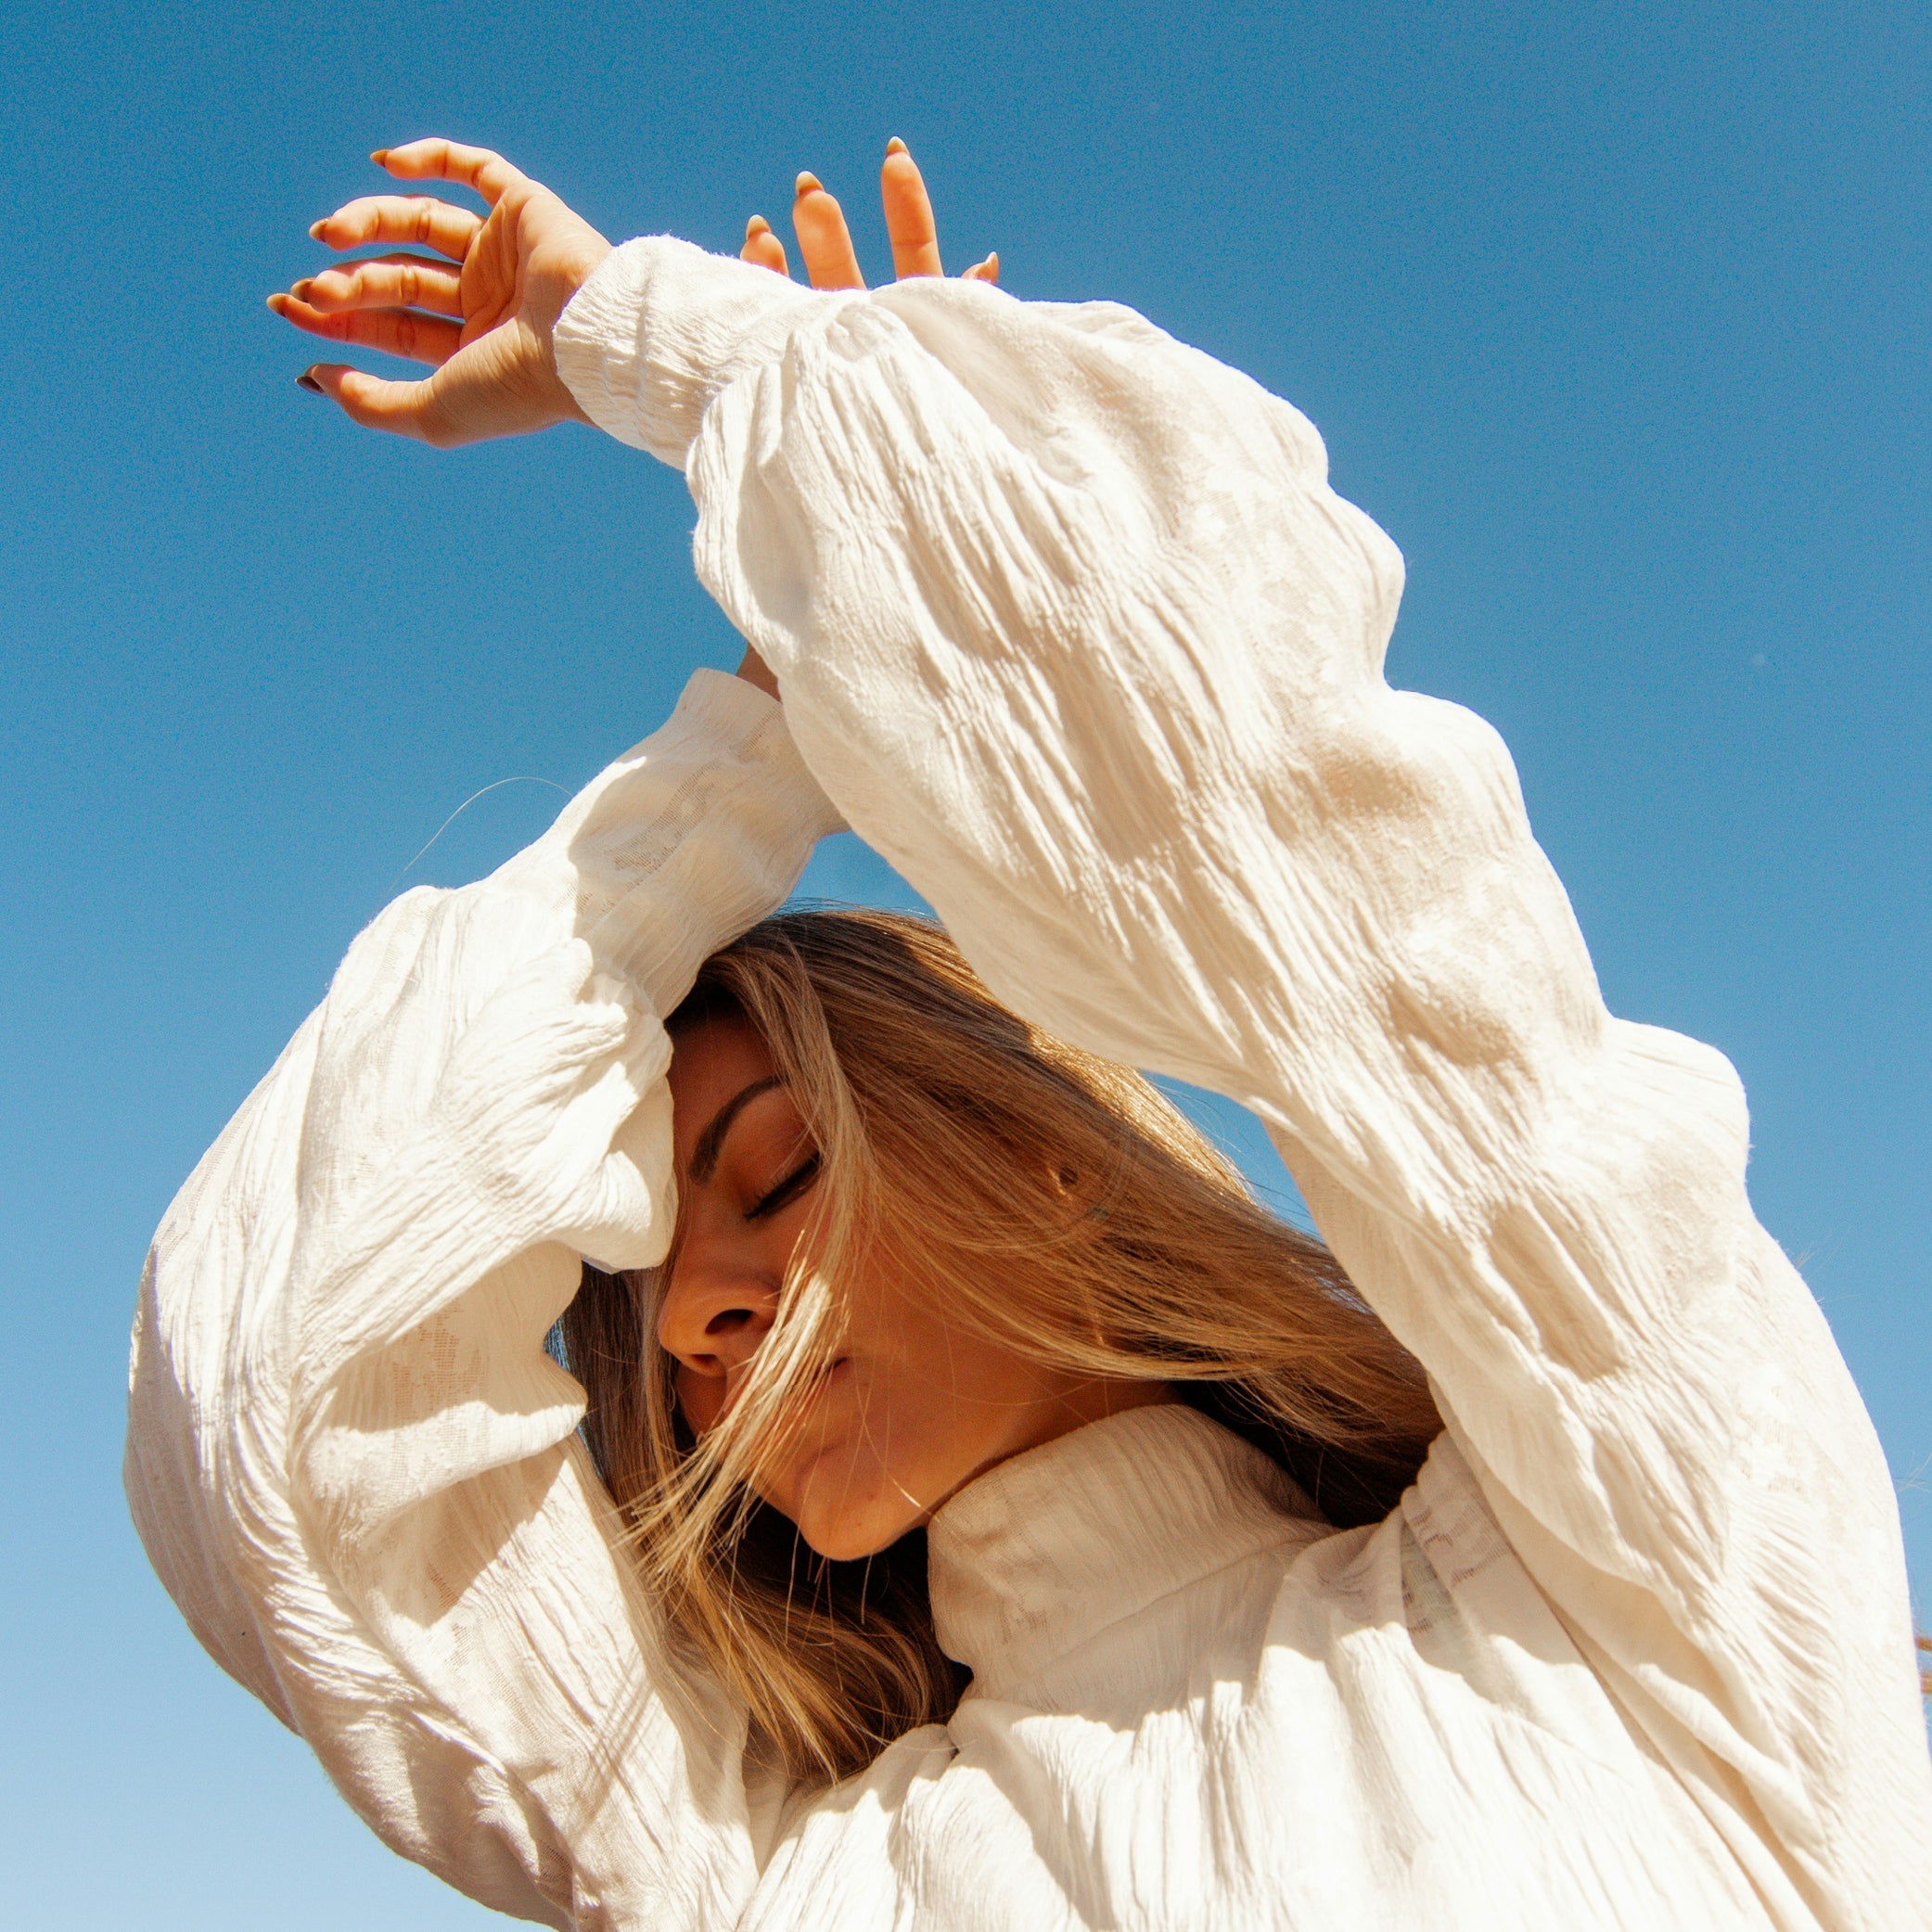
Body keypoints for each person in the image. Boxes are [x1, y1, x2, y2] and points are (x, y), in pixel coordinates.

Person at [125, 136, 1932, 1930]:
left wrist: (709, 369)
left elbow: (1317, 865)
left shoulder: (1625, 1555)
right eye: (651, 1286)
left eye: (777, 1168)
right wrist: (759, 733)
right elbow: (294, 1394)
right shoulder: (769, 1869)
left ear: (1052, 1162)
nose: (686, 1315)